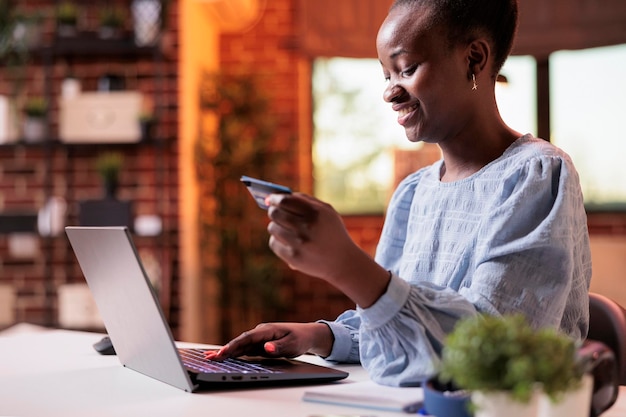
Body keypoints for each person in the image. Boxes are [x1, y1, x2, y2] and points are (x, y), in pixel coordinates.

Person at [206, 0, 592, 387]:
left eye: (406, 69)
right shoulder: (412, 194)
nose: (390, 92)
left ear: (474, 59)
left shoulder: (535, 175)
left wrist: (347, 265)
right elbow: (401, 326)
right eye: (386, 75)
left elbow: (494, 350)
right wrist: (320, 336)